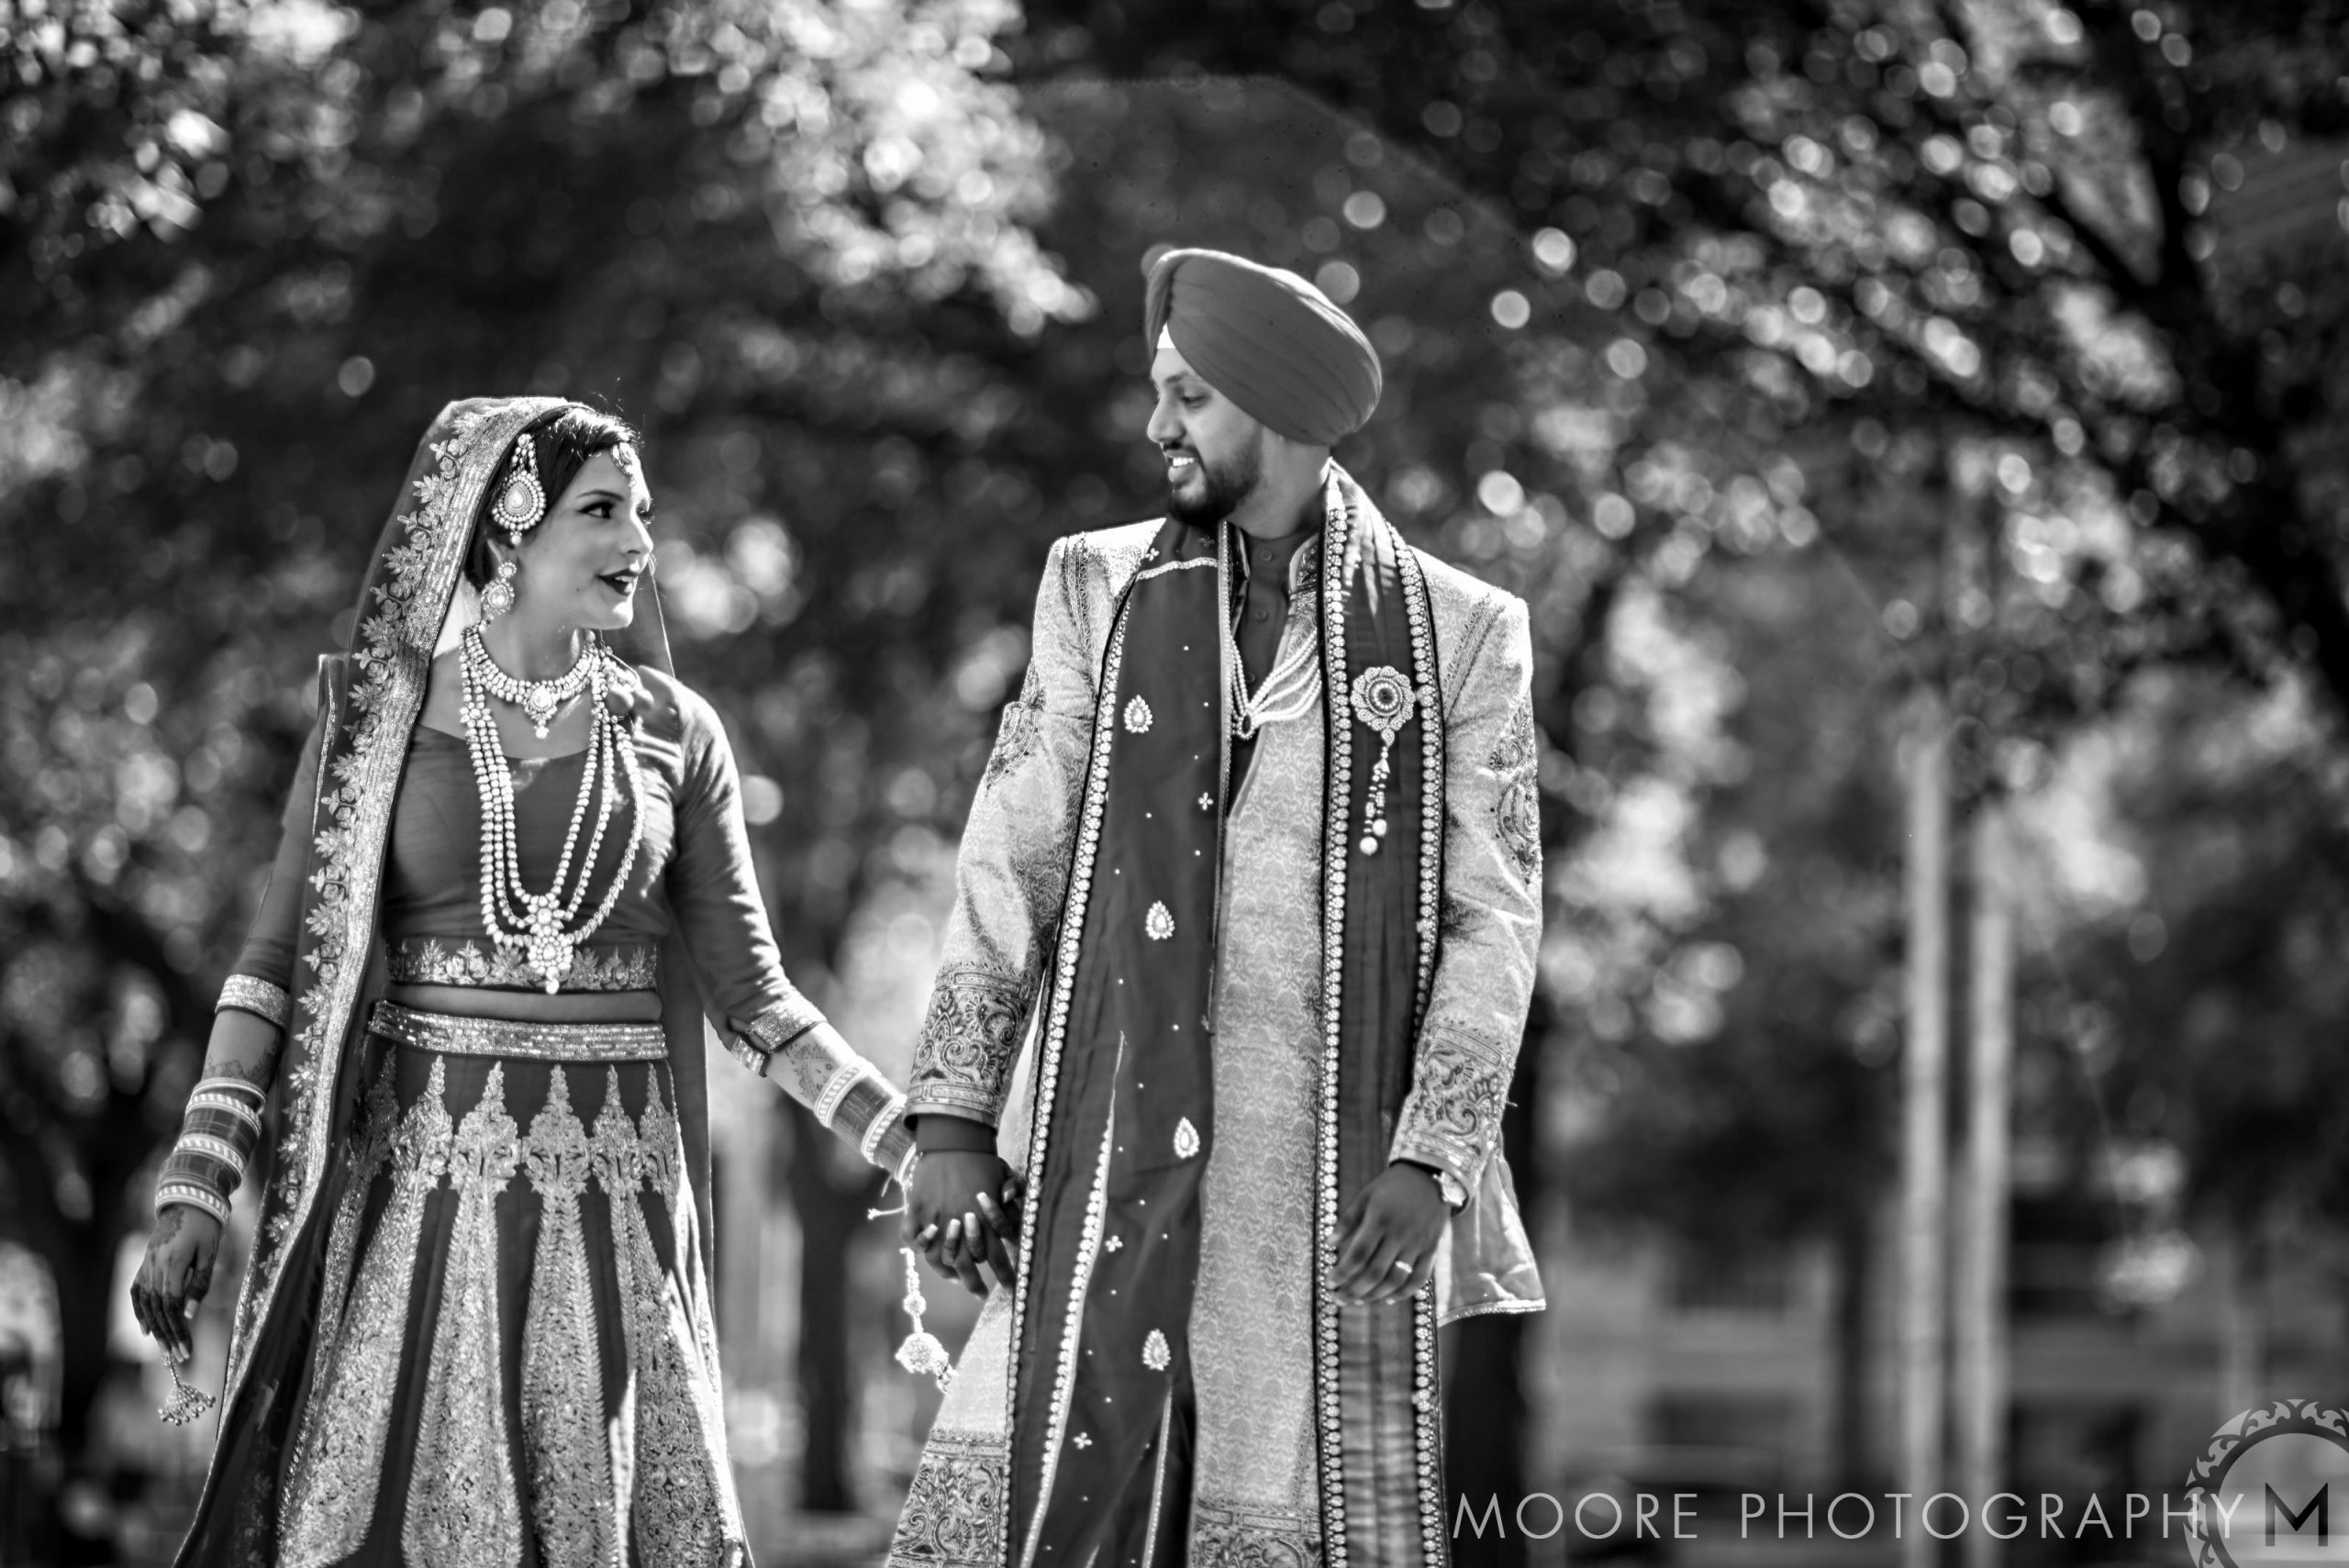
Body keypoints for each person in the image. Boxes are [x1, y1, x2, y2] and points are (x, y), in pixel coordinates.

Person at [130, 397, 916, 1567]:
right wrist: (199, 1181)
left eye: (642, 513)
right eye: (603, 510)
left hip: (618, 1225)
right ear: (508, 523)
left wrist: (914, 1137)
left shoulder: (675, 733)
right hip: (423, 1216)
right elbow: (274, 964)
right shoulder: (371, 721)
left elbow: (757, 1002)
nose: (640, 544)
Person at [888, 250, 1546, 1568]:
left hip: (1318, 1186)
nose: (1156, 427)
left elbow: (1495, 913)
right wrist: (955, 1117)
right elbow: (1010, 851)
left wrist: (1436, 1155)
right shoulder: (1094, 585)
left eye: (1187, 396)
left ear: (1273, 404)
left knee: (1274, 1511)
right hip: (1102, 1136)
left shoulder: (1463, 634)